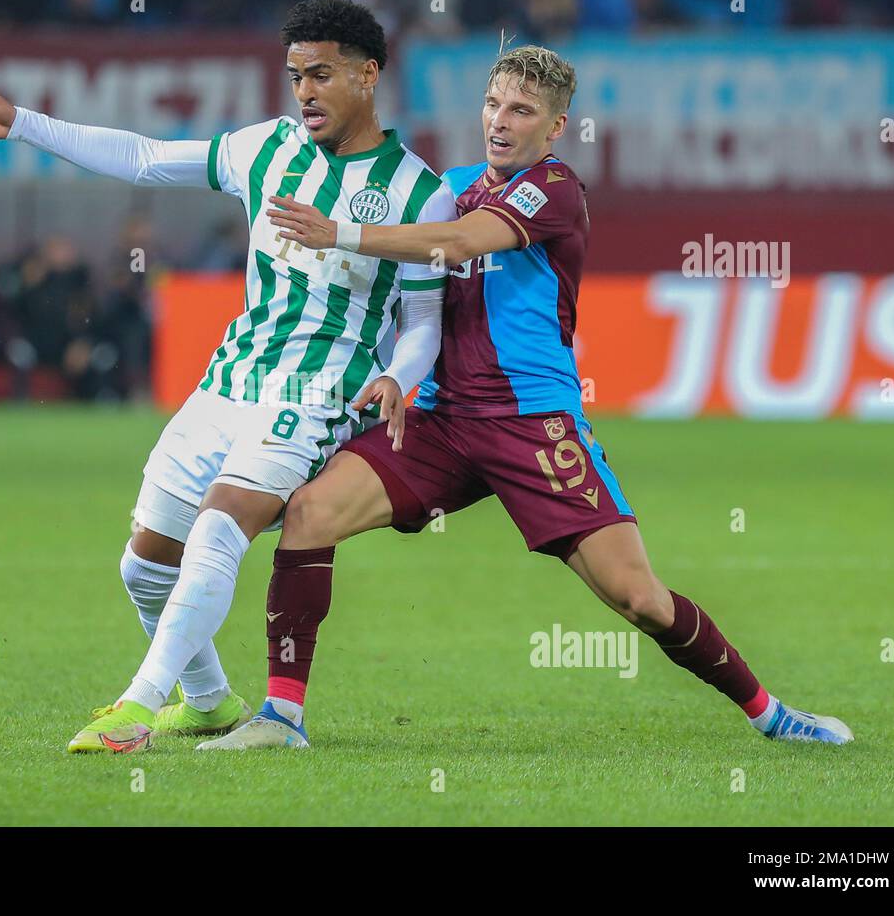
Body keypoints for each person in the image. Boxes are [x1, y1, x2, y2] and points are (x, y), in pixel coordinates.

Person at [201, 44, 854, 750]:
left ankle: (769, 712)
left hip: (533, 426)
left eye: (521, 110)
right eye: (492, 105)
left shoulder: (556, 189)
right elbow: (405, 290)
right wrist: (388, 364)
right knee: (311, 512)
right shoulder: (449, 185)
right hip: (443, 421)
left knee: (639, 597)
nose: (500, 122)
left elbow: (455, 242)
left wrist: (341, 231)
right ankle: (281, 717)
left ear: (555, 127)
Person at [0, 0, 456, 753]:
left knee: (221, 524)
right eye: (294, 76)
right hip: (227, 382)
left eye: (321, 75)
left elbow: (425, 325)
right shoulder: (263, 150)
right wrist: (23, 123)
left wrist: (397, 378)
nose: (305, 92)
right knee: (144, 566)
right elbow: (146, 159)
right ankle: (209, 702)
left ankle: (134, 708)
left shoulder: (421, 192)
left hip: (316, 391)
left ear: (368, 75)